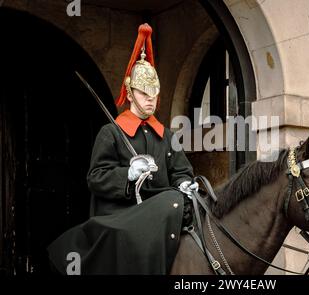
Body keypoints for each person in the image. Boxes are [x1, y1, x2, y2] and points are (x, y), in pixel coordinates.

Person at [47, 23, 198, 275]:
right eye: (144, 92)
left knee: (179, 201)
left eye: (155, 93)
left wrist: (184, 183)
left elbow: (181, 171)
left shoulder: (167, 135)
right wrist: (127, 174)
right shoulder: (111, 133)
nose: (151, 98)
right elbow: (96, 178)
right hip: (123, 214)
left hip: (160, 213)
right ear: (129, 93)